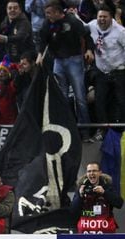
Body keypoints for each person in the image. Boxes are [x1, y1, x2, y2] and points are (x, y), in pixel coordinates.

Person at [36, 0, 94, 141]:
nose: (47, 16)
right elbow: (42, 39)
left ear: (57, 12)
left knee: (80, 97)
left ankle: (85, 131)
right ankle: (67, 129)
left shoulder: (72, 21)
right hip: (58, 61)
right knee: (61, 97)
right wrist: (39, 54)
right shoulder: (47, 24)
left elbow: (86, 35)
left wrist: (89, 50)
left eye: (49, 13)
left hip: (74, 59)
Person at [86, 4, 125, 140]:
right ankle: (102, 131)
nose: (102, 19)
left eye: (105, 17)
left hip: (118, 71)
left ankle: (124, 130)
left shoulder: (120, 32)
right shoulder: (92, 26)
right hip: (101, 71)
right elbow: (80, 28)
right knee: (99, 101)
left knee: (122, 101)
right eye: (100, 16)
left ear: (111, 18)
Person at [70, 162, 124, 234]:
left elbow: (119, 203)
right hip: (85, 233)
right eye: (89, 171)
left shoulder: (107, 186)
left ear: (100, 173)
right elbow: (73, 210)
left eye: (94, 171)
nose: (91, 173)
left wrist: (104, 192)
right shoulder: (81, 188)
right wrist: (80, 196)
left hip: (106, 233)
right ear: (86, 174)